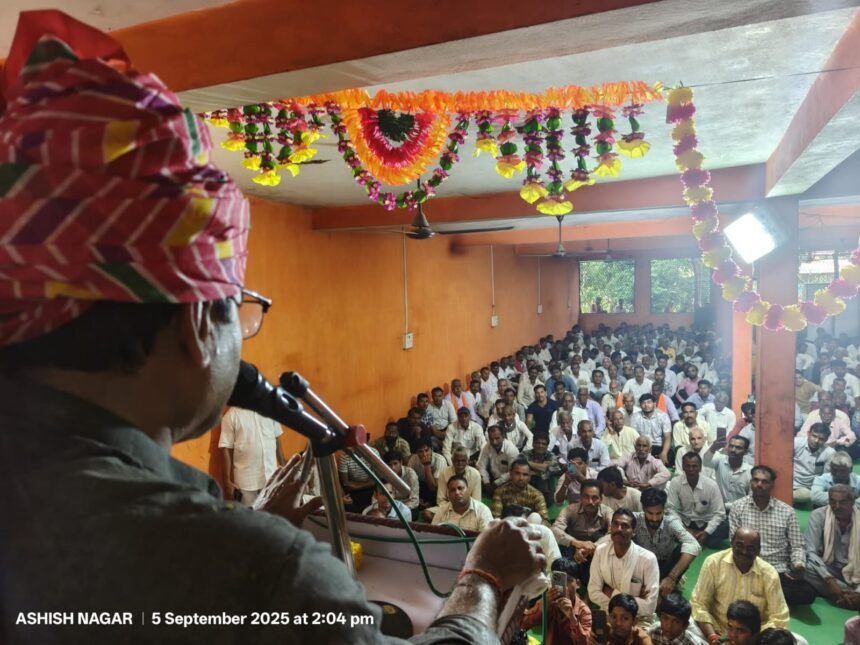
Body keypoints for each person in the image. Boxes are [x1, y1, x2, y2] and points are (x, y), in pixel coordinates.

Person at [0, 11, 546, 643]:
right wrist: (482, 578)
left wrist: (245, 533)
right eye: (240, 309)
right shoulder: (255, 570)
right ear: (195, 320)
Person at [728, 466, 815, 606]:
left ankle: (755, 595)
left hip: (777, 570)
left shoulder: (787, 511)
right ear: (751, 482)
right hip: (747, 566)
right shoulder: (738, 507)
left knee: (808, 593)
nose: (759, 484)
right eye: (756, 480)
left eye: (764, 481)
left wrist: (798, 564)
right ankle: (768, 596)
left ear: (772, 485)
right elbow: (733, 542)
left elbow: (797, 545)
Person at [690, 528, 790, 641]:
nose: (744, 551)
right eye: (739, 545)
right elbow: (698, 604)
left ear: (758, 551)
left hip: (754, 638)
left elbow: (780, 618)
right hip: (717, 632)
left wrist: (750, 640)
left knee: (800, 641)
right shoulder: (713, 563)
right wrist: (713, 638)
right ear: (731, 543)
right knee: (688, 623)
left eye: (750, 548)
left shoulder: (769, 574)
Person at [588, 509, 660, 623]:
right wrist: (631, 599)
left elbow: (650, 606)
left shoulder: (648, 559)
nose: (619, 529)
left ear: (634, 532)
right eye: (615, 524)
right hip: (609, 615)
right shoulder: (600, 551)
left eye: (625, 526)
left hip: (639, 619)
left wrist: (611, 593)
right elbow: (593, 592)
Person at [634, 488, 701, 597]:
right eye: (650, 513)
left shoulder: (671, 522)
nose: (654, 519)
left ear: (664, 509)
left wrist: (671, 577)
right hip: (642, 565)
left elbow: (694, 545)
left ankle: (667, 585)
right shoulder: (634, 519)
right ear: (643, 508)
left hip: (665, 567)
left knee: (684, 548)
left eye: (658, 513)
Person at [804, 484, 860, 610]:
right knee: (803, 567)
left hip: (856, 570)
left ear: (852, 502)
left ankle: (844, 595)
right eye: (833, 502)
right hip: (829, 569)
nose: (837, 506)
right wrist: (828, 579)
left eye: (842, 502)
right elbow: (810, 551)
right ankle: (850, 596)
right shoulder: (819, 515)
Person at [219, 407, 286, 506]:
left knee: (271, 514)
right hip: (246, 485)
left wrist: (284, 469)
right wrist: (226, 481)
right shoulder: (232, 415)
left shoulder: (270, 411)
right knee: (247, 515)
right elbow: (225, 448)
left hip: (271, 479)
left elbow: (277, 440)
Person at [521, 557, 592, 644]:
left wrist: (572, 618)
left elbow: (585, 642)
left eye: (569, 580)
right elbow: (523, 624)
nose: (564, 586)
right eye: (559, 581)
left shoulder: (583, 611)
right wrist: (542, 608)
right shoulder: (548, 603)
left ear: (578, 584)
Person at [667, 452, 727, 548]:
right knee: (666, 521)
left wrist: (707, 532)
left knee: (724, 527)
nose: (691, 469)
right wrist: (683, 529)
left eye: (694, 466)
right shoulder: (675, 482)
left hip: (706, 522)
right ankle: (692, 536)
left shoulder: (711, 485)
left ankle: (694, 536)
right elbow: (671, 509)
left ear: (700, 468)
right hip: (685, 522)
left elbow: (719, 513)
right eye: (688, 466)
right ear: (683, 467)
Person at [552, 480, 613, 572]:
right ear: (580, 497)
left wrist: (593, 546)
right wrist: (577, 543)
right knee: (561, 544)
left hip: (598, 551)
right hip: (573, 550)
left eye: (594, 498)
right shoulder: (570, 510)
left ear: (601, 499)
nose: (590, 502)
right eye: (586, 497)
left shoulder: (607, 512)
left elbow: (613, 533)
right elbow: (554, 529)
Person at [704, 436, 753, 515]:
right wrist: (713, 448)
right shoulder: (720, 460)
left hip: (741, 513)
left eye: (738, 448)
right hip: (719, 513)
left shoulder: (750, 471)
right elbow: (706, 462)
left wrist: (725, 506)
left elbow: (751, 499)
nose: (733, 450)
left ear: (745, 452)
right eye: (731, 446)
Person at [792, 423, 836, 505]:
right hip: (791, 482)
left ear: (826, 440)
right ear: (808, 434)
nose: (816, 441)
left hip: (810, 488)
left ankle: (785, 496)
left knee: (810, 496)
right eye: (814, 436)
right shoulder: (796, 443)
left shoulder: (830, 453)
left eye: (821, 439)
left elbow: (826, 476)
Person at [476, 424, 520, 497]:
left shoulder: (512, 450)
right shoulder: (487, 446)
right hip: (492, 478)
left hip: (507, 480)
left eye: (497, 438)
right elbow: (481, 466)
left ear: (503, 436)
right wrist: (486, 482)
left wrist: (496, 483)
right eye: (491, 439)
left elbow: (513, 472)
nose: (494, 442)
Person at [521, 433, 563, 507]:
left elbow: (556, 470)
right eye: (538, 443)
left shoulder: (551, 455)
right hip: (526, 488)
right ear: (533, 443)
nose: (540, 446)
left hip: (545, 492)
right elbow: (518, 465)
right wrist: (543, 468)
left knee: (543, 479)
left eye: (544, 444)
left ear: (547, 446)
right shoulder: (525, 454)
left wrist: (529, 466)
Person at [632, 394, 672, 466]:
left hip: (659, 446)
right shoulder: (635, 417)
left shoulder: (663, 416)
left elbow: (667, 438)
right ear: (640, 405)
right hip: (642, 446)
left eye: (649, 402)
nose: (646, 405)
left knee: (670, 456)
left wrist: (664, 453)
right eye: (643, 403)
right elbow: (633, 437)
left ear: (654, 404)